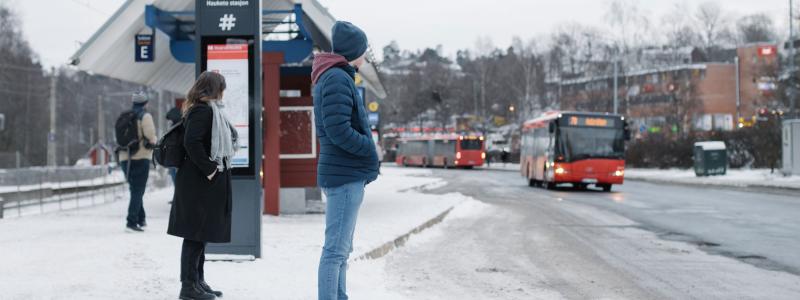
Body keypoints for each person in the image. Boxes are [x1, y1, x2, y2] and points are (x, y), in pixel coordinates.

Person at [311, 21, 380, 300]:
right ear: (354, 51)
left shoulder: (336, 76)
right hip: (344, 174)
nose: (365, 55)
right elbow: (338, 129)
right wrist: (368, 147)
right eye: (363, 49)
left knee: (341, 249)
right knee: (335, 250)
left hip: (343, 171)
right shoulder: (337, 78)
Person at [168, 71, 235, 300]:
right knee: (194, 234)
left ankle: (198, 280)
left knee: (201, 233)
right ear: (215, 90)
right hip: (198, 182)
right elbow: (191, 142)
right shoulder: (202, 111)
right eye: (222, 88)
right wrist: (211, 169)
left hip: (202, 183)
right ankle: (188, 286)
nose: (223, 93)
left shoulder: (209, 111)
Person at [118, 92, 157, 232]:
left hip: (124, 157)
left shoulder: (124, 116)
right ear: (145, 103)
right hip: (140, 157)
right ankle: (131, 222)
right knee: (138, 190)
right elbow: (151, 136)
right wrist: (155, 141)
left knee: (135, 189)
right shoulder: (144, 116)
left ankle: (141, 219)